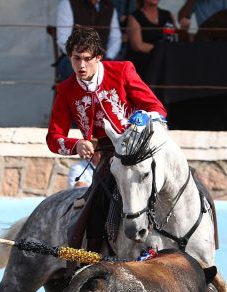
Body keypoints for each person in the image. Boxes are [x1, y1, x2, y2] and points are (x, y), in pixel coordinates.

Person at [46, 25, 167, 251]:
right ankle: (90, 259)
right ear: (69, 57)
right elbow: (53, 138)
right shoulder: (66, 89)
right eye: (76, 58)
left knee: (186, 184)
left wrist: (142, 121)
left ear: (98, 57)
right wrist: (76, 144)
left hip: (139, 147)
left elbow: (156, 108)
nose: (81, 65)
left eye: (87, 58)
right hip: (109, 157)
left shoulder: (122, 70)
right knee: (96, 207)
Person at [56, 0, 122, 81]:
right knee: (73, 68)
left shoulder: (109, 6)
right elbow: (63, 40)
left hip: (101, 58)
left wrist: (109, 58)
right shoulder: (68, 3)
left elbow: (115, 38)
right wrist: (82, 56)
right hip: (74, 58)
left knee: (120, 71)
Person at [126, 0, 177, 78]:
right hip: (143, 65)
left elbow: (172, 39)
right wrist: (161, 50)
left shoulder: (167, 15)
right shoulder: (134, 16)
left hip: (165, 64)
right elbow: (137, 45)